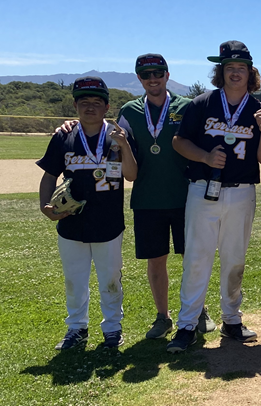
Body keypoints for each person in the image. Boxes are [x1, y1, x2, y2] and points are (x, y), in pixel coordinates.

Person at [167, 40, 261, 353]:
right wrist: (203, 157)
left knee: (234, 260)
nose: (235, 73)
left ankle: (231, 320)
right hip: (203, 188)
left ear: (250, 72)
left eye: (241, 68)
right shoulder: (203, 103)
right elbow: (178, 141)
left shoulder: (256, 108)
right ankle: (187, 325)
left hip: (241, 193)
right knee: (198, 259)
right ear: (221, 71)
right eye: (230, 68)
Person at [38, 77, 137, 350]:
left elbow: (132, 175)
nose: (90, 107)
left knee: (110, 279)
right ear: (75, 105)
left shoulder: (117, 135)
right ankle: (76, 329)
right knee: (75, 280)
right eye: (84, 102)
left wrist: (125, 145)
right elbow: (49, 175)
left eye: (96, 102)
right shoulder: (64, 136)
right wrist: (44, 205)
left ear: (106, 107)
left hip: (108, 222)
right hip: (71, 221)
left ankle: (113, 330)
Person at [116, 54, 193, 340]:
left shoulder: (186, 107)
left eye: (158, 72)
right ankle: (163, 316)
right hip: (147, 199)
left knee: (193, 259)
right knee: (156, 261)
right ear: (139, 78)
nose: (153, 78)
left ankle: (197, 310)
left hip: (187, 197)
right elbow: (119, 151)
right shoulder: (130, 111)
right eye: (146, 74)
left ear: (167, 74)